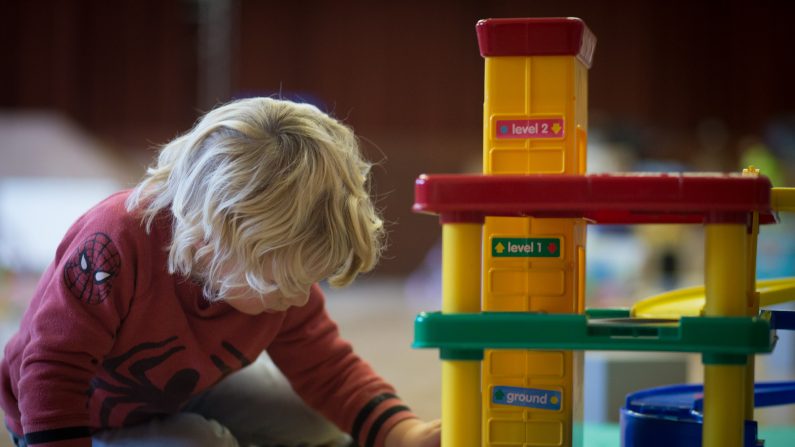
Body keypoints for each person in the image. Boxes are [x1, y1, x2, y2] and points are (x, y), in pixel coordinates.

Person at [0, 97, 441, 447]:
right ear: (211, 242)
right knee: (203, 443)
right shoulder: (114, 242)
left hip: (175, 392)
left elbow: (329, 369)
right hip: (64, 418)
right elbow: (52, 372)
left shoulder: (275, 274)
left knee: (313, 421)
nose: (296, 297)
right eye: (280, 286)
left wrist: (403, 434)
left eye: (306, 281)